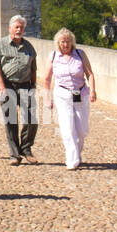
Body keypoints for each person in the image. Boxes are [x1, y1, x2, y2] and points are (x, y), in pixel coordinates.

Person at [44, 28, 96, 170]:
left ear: (72, 42)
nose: (65, 45)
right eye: (62, 42)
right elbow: (47, 79)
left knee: (82, 129)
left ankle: (76, 154)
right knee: (67, 128)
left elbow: (90, 74)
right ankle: (71, 159)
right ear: (58, 43)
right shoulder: (53, 56)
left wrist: (92, 90)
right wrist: (47, 97)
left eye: (68, 42)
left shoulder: (80, 54)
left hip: (81, 93)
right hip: (62, 94)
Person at [0, 14, 39, 165]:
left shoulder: (29, 46)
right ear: (10, 28)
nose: (19, 30)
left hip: (25, 85)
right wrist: (1, 85)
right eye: (16, 27)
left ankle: (26, 148)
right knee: (11, 121)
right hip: (8, 85)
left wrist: (33, 85)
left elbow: (33, 68)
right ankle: (14, 154)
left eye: (21, 27)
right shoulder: (1, 44)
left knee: (31, 119)